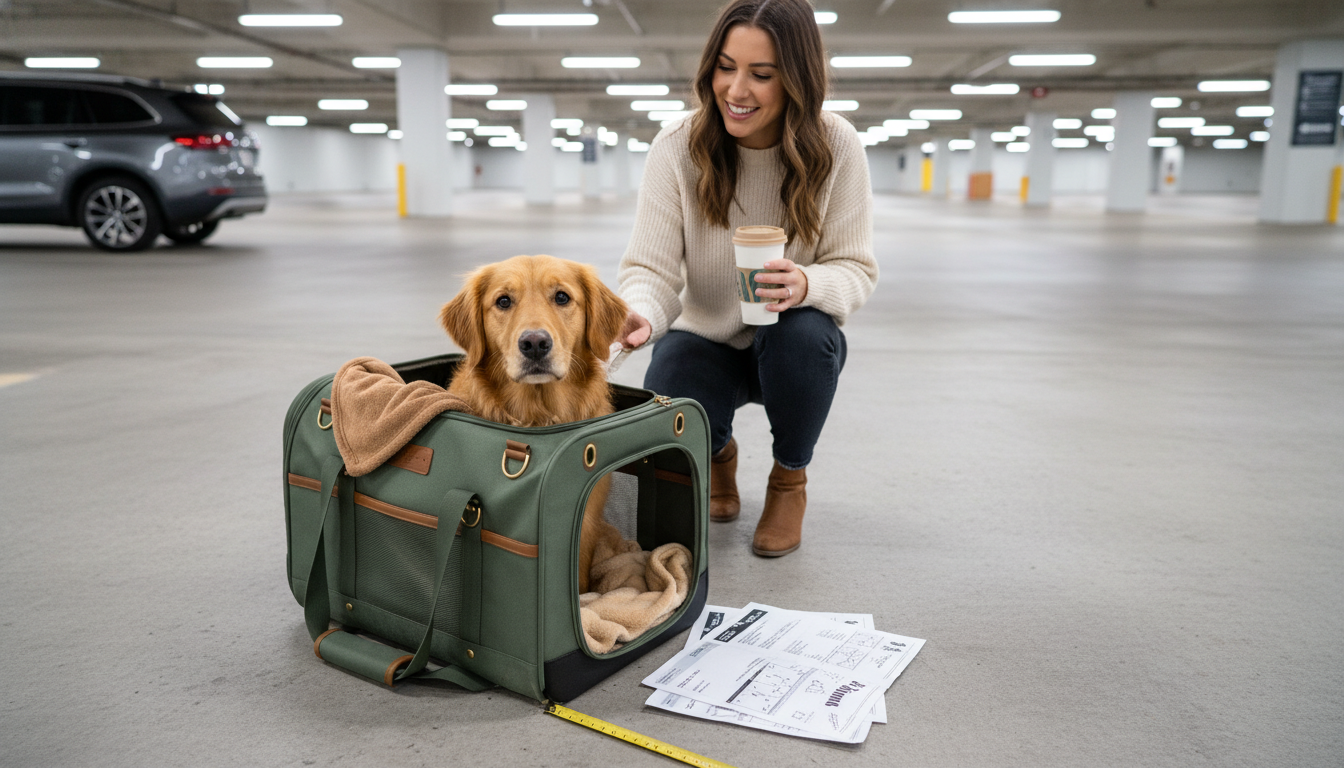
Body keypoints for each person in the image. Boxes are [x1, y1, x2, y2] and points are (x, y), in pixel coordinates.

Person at [617, 0, 877, 557]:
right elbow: (650, 269)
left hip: (789, 340)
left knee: (803, 335)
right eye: (725, 67)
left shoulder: (837, 146)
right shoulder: (678, 147)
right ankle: (719, 455)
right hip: (707, 335)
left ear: (798, 81)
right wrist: (638, 312)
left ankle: (789, 479)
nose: (737, 89)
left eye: (762, 74)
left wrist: (807, 285)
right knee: (672, 372)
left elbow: (856, 268)